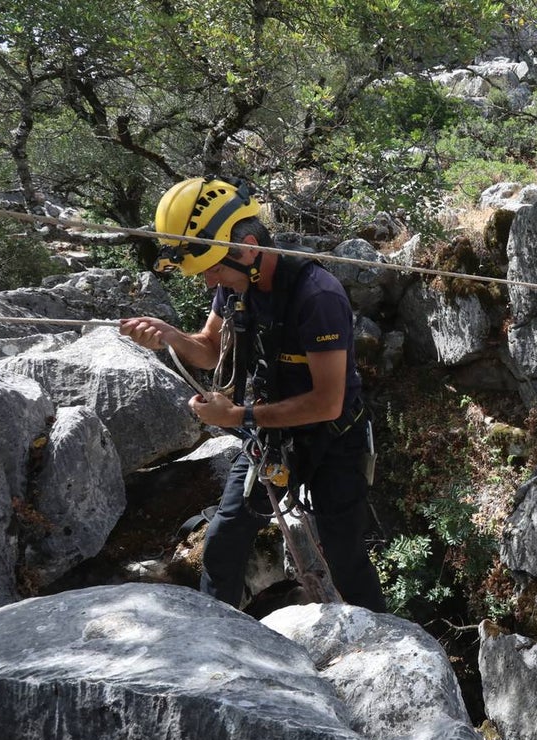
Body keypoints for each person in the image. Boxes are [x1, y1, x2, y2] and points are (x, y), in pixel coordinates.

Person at [120, 176, 385, 611]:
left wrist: (238, 417)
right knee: (225, 539)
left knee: (344, 554)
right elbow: (208, 350)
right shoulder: (233, 284)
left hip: (334, 438)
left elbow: (327, 402)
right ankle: (214, 632)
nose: (209, 282)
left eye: (213, 268)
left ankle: (381, 646)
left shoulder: (317, 296)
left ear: (246, 246)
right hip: (271, 435)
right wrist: (169, 336)